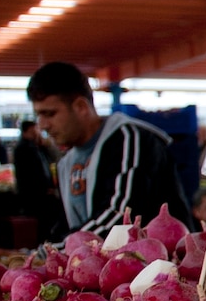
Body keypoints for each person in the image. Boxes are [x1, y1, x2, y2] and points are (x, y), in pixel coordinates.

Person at [28, 62, 191, 238]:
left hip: (163, 263)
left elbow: (120, 220)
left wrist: (59, 250)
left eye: (50, 114)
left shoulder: (129, 139)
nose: (43, 125)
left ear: (81, 107)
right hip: (100, 263)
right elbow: (66, 223)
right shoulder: (68, 161)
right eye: (39, 115)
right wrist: (46, 251)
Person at [12, 120, 62, 234]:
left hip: (44, 193)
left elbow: (54, 158)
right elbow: (29, 175)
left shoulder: (38, 147)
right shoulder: (23, 149)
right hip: (34, 196)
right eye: (34, 130)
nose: (37, 132)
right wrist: (43, 189)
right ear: (26, 131)